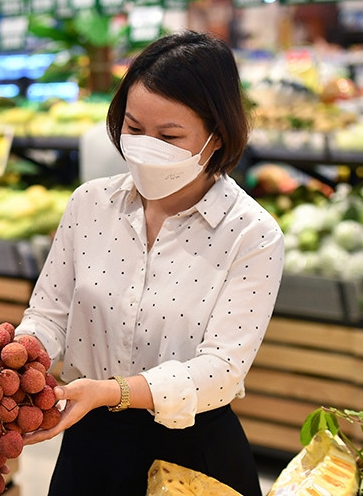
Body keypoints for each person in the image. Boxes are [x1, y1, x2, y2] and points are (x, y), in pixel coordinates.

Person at [15, 30, 284, 495]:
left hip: (193, 455)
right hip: (88, 445)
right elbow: (48, 315)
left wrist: (115, 391)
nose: (144, 144)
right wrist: (19, 357)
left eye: (169, 136)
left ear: (216, 138)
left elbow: (221, 370)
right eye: (134, 128)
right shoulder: (89, 204)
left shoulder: (251, 234)